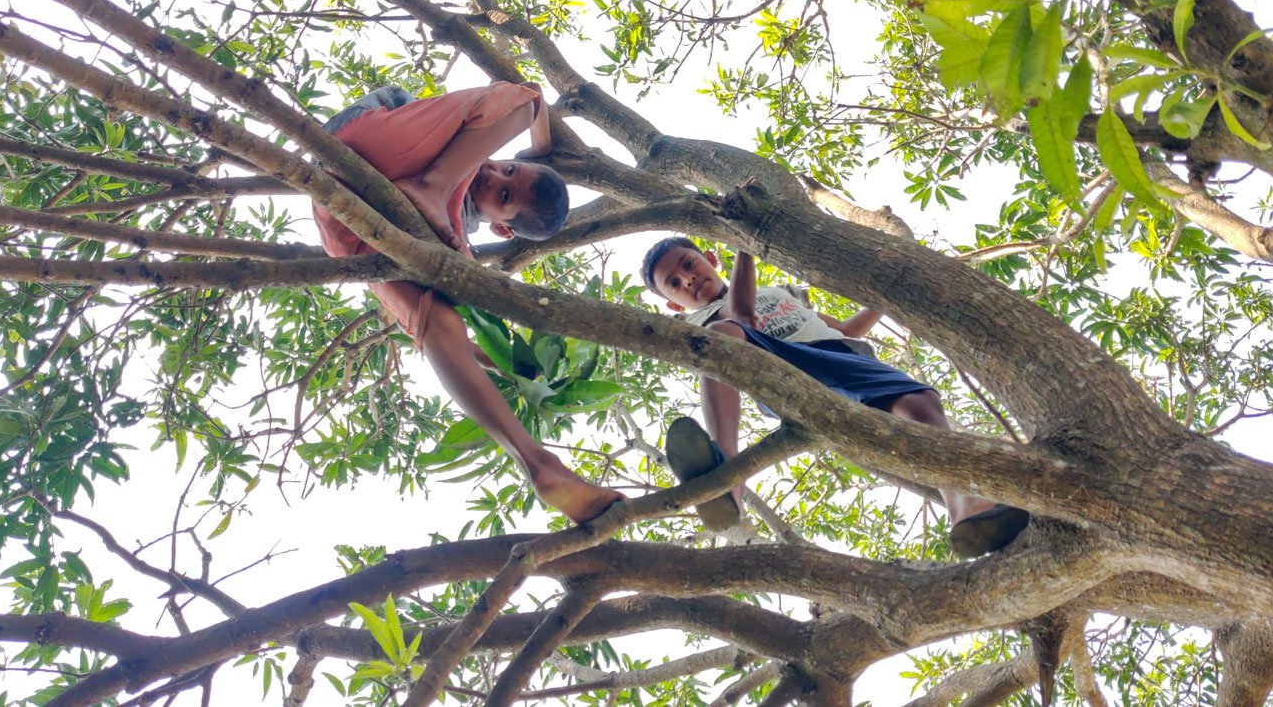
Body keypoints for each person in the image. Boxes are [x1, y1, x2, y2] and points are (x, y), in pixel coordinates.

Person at [314, 82, 623, 522]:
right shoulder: (468, 151)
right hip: (367, 144)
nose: (495, 176)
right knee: (527, 99)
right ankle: (433, 187)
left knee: (441, 319)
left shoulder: (455, 245)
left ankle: (537, 463)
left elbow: (444, 339)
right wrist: (540, 152)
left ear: (501, 230)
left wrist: (508, 365)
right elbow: (532, 100)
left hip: (351, 227)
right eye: (509, 171)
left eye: (503, 196)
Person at [641, 236, 1029, 556]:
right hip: (781, 371)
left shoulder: (781, 292)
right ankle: (727, 477)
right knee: (724, 339)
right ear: (674, 304)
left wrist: (885, 297)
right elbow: (739, 317)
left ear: (709, 258)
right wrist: (746, 241)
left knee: (920, 402)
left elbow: (845, 329)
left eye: (689, 265)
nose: (687, 279)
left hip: (839, 356)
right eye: (674, 283)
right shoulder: (699, 322)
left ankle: (966, 507)